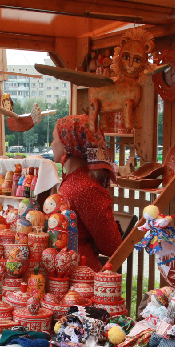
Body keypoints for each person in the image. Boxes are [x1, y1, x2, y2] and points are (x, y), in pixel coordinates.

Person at [51, 115, 122, 271]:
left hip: (80, 277)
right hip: (74, 272)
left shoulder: (84, 188)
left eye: (54, 139)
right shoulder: (79, 183)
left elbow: (113, 248)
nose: (51, 144)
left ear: (67, 144)